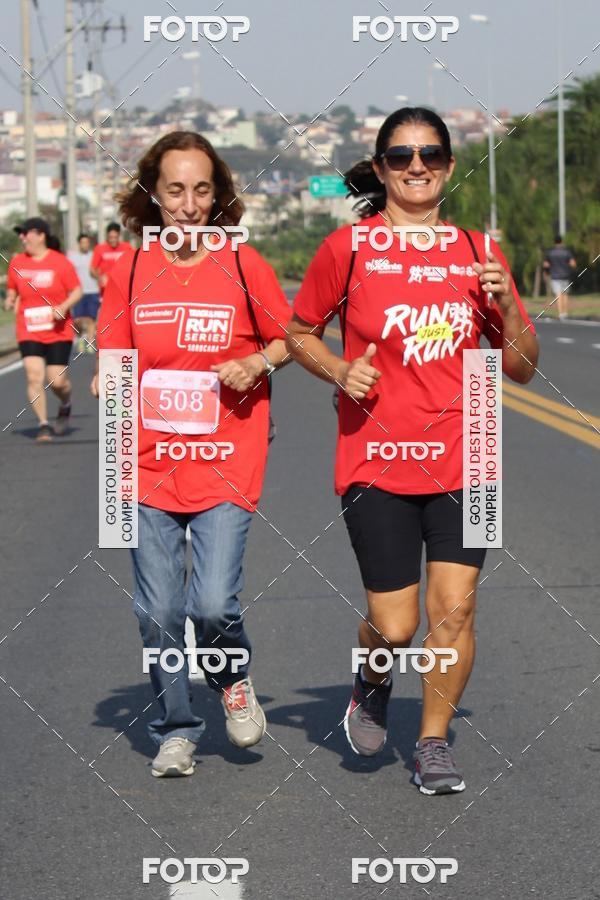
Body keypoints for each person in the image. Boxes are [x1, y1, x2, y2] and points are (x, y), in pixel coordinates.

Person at [287, 108, 539, 795]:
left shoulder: (478, 249)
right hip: (376, 456)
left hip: (469, 452)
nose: (417, 165)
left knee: (455, 609)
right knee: (397, 625)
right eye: (401, 155)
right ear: (380, 168)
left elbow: (519, 365)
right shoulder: (350, 249)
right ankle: (372, 674)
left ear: (450, 166)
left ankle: (432, 741)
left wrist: (508, 310)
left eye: (430, 153)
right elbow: (300, 329)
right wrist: (339, 371)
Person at [93, 131, 291, 778]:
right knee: (156, 611)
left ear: (218, 195)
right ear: (154, 194)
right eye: (175, 189)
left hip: (225, 459)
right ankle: (175, 726)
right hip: (145, 462)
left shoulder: (242, 264)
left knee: (209, 605)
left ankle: (231, 677)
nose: (188, 203)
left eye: (201, 189)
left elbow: (292, 341)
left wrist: (257, 360)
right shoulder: (127, 267)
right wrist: (106, 375)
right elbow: (115, 348)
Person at [4, 217, 82, 442]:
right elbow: (12, 289)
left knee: (57, 381)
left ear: (40, 235)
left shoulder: (60, 262)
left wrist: (64, 307)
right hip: (28, 328)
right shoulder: (17, 262)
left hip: (58, 330)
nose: (22, 238)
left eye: (25, 233)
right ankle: (43, 424)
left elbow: (76, 291)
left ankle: (66, 403)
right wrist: (10, 300)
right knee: (33, 376)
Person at [68, 232, 100, 353]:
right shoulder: (72, 257)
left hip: (93, 290)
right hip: (78, 292)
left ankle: (90, 342)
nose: (85, 245)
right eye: (83, 243)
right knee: (78, 320)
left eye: (87, 242)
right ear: (79, 244)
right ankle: (81, 338)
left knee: (91, 319)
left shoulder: (94, 256)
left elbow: (99, 269)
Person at [90, 221, 134, 298]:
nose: (113, 240)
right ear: (107, 236)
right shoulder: (99, 249)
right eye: (110, 237)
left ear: (119, 236)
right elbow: (92, 269)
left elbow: (135, 264)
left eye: (115, 237)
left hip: (124, 289)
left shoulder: (127, 247)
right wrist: (100, 277)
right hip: (106, 291)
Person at [543, 235, 576, 320]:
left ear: (554, 242)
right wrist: (566, 265)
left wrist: (547, 271)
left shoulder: (550, 253)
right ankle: (565, 313)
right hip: (565, 276)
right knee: (565, 294)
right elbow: (573, 264)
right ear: (561, 242)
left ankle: (560, 313)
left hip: (555, 276)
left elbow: (546, 264)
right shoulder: (567, 252)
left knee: (558, 295)